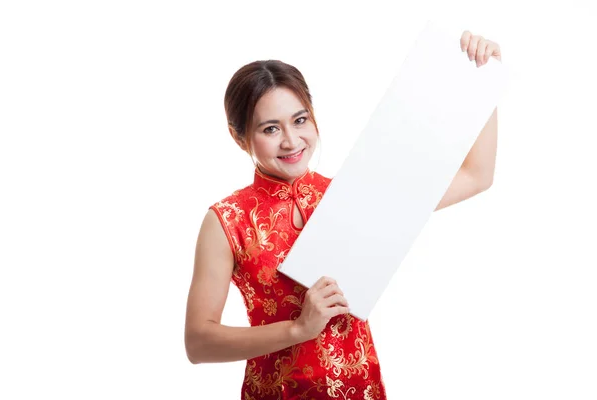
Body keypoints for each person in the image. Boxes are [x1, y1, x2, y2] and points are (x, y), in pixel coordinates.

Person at [185, 31, 502, 399]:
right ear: (238, 136)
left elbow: (476, 175)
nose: (291, 141)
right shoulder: (227, 220)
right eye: (270, 129)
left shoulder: (350, 195)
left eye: (300, 120)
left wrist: (485, 79)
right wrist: (298, 329)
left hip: (361, 389)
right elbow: (198, 342)